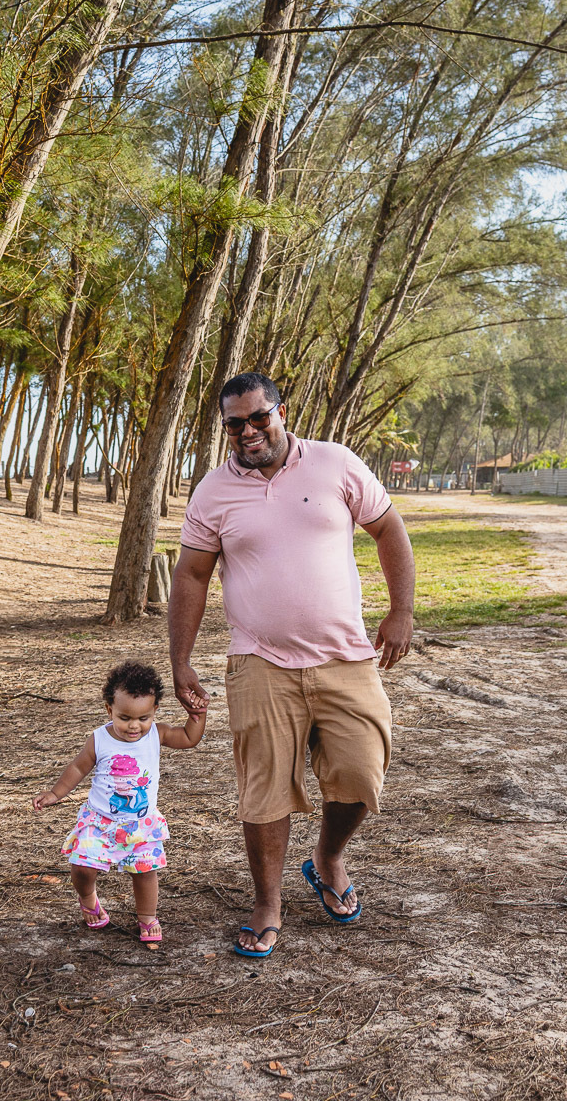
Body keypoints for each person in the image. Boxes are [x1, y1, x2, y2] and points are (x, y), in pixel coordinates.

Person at [169, 372, 415, 958]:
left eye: (259, 417)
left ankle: (328, 858)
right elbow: (192, 575)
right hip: (259, 660)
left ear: (281, 411)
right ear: (225, 427)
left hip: (346, 655)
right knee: (265, 789)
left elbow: (389, 529)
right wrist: (179, 660)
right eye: (236, 423)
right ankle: (268, 902)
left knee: (361, 772)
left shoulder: (335, 464)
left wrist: (401, 611)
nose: (249, 431)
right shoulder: (213, 492)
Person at [32, 660, 206, 944]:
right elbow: (78, 768)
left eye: (143, 718)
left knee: (145, 872)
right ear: (109, 709)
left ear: (154, 712)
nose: (134, 726)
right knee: (82, 866)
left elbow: (188, 738)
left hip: (141, 822)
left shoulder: (156, 734)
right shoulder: (99, 739)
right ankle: (88, 897)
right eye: (124, 717)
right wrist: (55, 793)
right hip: (99, 820)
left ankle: (147, 916)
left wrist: (198, 715)